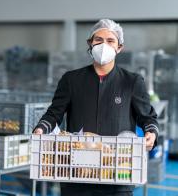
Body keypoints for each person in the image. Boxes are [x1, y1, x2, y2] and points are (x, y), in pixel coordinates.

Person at [33, 19, 159, 196]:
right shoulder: (72, 80)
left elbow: (147, 117)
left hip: (117, 174)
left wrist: (151, 133)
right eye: (98, 40)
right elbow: (54, 114)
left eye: (110, 41)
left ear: (119, 47)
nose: (103, 45)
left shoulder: (131, 81)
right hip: (76, 174)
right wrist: (41, 128)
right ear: (90, 44)